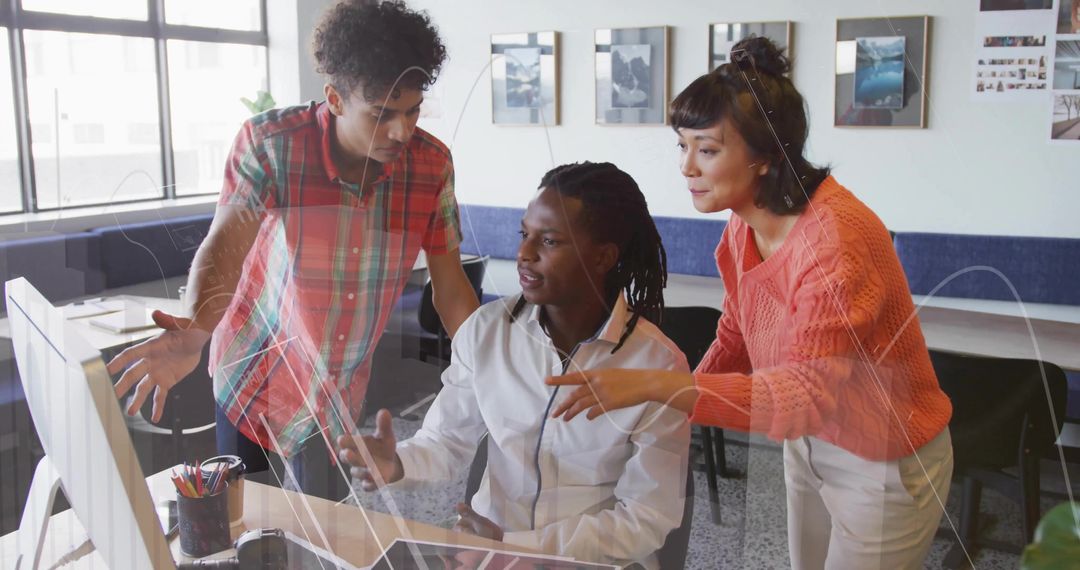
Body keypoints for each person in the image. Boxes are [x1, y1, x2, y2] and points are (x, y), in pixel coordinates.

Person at [548, 37, 954, 570]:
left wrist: (657, 386)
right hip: (808, 441)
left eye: (707, 149)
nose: (687, 167)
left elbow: (805, 393)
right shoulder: (742, 229)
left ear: (764, 157)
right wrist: (671, 413)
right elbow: (737, 337)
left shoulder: (834, 239)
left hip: (883, 453)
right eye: (683, 145)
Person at [107, 0, 479, 500]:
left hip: (336, 395)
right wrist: (195, 332)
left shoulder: (431, 166)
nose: (402, 131)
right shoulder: (270, 145)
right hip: (253, 378)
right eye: (382, 115)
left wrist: (491, 367)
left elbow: (451, 288)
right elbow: (225, 248)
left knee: (326, 530)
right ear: (335, 98)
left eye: (412, 111)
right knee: (247, 524)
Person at [338, 162, 691, 569]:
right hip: (484, 552)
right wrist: (397, 461)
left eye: (549, 241)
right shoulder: (487, 332)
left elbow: (645, 518)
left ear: (603, 257)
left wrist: (519, 547)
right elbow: (446, 442)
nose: (523, 254)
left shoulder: (656, 366)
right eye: (525, 234)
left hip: (590, 562)